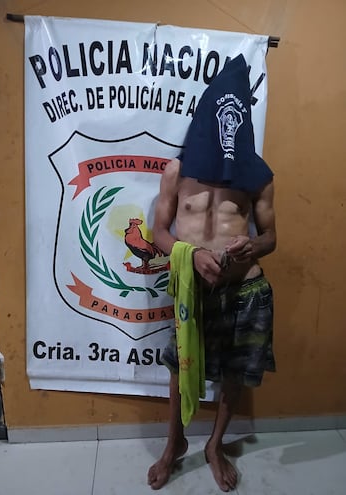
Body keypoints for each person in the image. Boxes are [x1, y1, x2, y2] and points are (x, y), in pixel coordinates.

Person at [147, 54, 276, 492]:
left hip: (245, 289)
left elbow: (272, 237)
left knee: (234, 373)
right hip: (192, 290)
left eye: (234, 117)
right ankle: (175, 443)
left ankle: (214, 445)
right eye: (219, 115)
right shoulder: (177, 171)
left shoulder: (256, 175)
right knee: (178, 368)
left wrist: (253, 244)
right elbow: (158, 231)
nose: (226, 125)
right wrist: (188, 252)